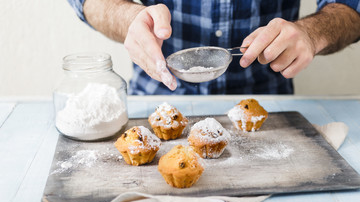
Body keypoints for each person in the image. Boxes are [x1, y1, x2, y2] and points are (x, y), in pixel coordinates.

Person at [67, 0, 360, 95]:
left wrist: (311, 33)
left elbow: (351, 7)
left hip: (269, 106)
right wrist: (128, 18)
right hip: (154, 99)